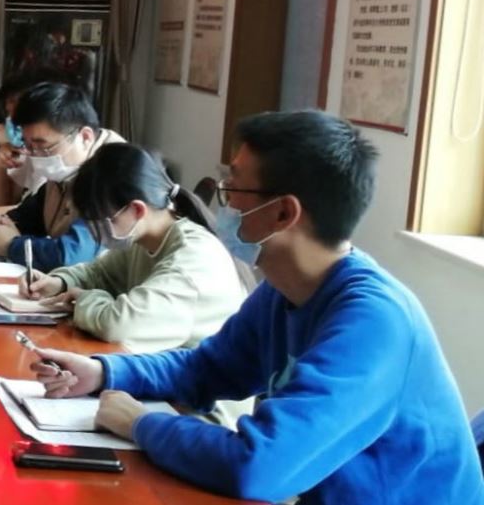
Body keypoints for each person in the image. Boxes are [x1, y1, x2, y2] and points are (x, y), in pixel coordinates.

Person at [28, 111, 484, 504]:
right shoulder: (286, 290)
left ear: (284, 213)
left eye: (233, 189)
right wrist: (104, 372)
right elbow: (206, 368)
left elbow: (260, 465)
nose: (222, 203)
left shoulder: (374, 322)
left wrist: (142, 424)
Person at [22, 143, 249, 353]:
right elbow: (99, 273)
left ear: (137, 210)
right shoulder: (144, 238)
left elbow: (119, 326)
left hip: (200, 381)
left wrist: (83, 300)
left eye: (102, 221)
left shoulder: (193, 259)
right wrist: (59, 283)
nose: (96, 232)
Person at [0, 82, 122, 271]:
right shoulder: (64, 171)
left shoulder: (114, 171)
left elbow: (71, 256)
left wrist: (10, 245)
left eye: (42, 146)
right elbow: (25, 218)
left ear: (85, 137)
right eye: (28, 146)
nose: (35, 156)